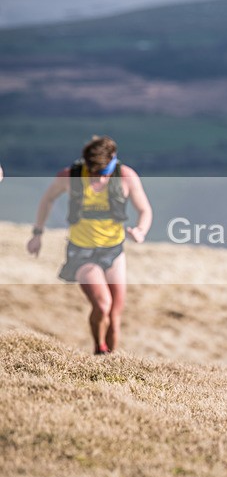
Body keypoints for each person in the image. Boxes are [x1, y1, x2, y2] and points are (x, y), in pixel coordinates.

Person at [27, 136, 152, 355]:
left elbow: (145, 210)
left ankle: (111, 363)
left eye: (103, 174)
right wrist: (37, 233)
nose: (98, 180)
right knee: (102, 304)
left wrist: (140, 230)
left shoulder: (126, 176)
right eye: (93, 173)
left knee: (114, 314)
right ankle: (99, 349)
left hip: (114, 251)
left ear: (113, 162)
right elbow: (47, 200)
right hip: (82, 253)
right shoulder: (70, 176)